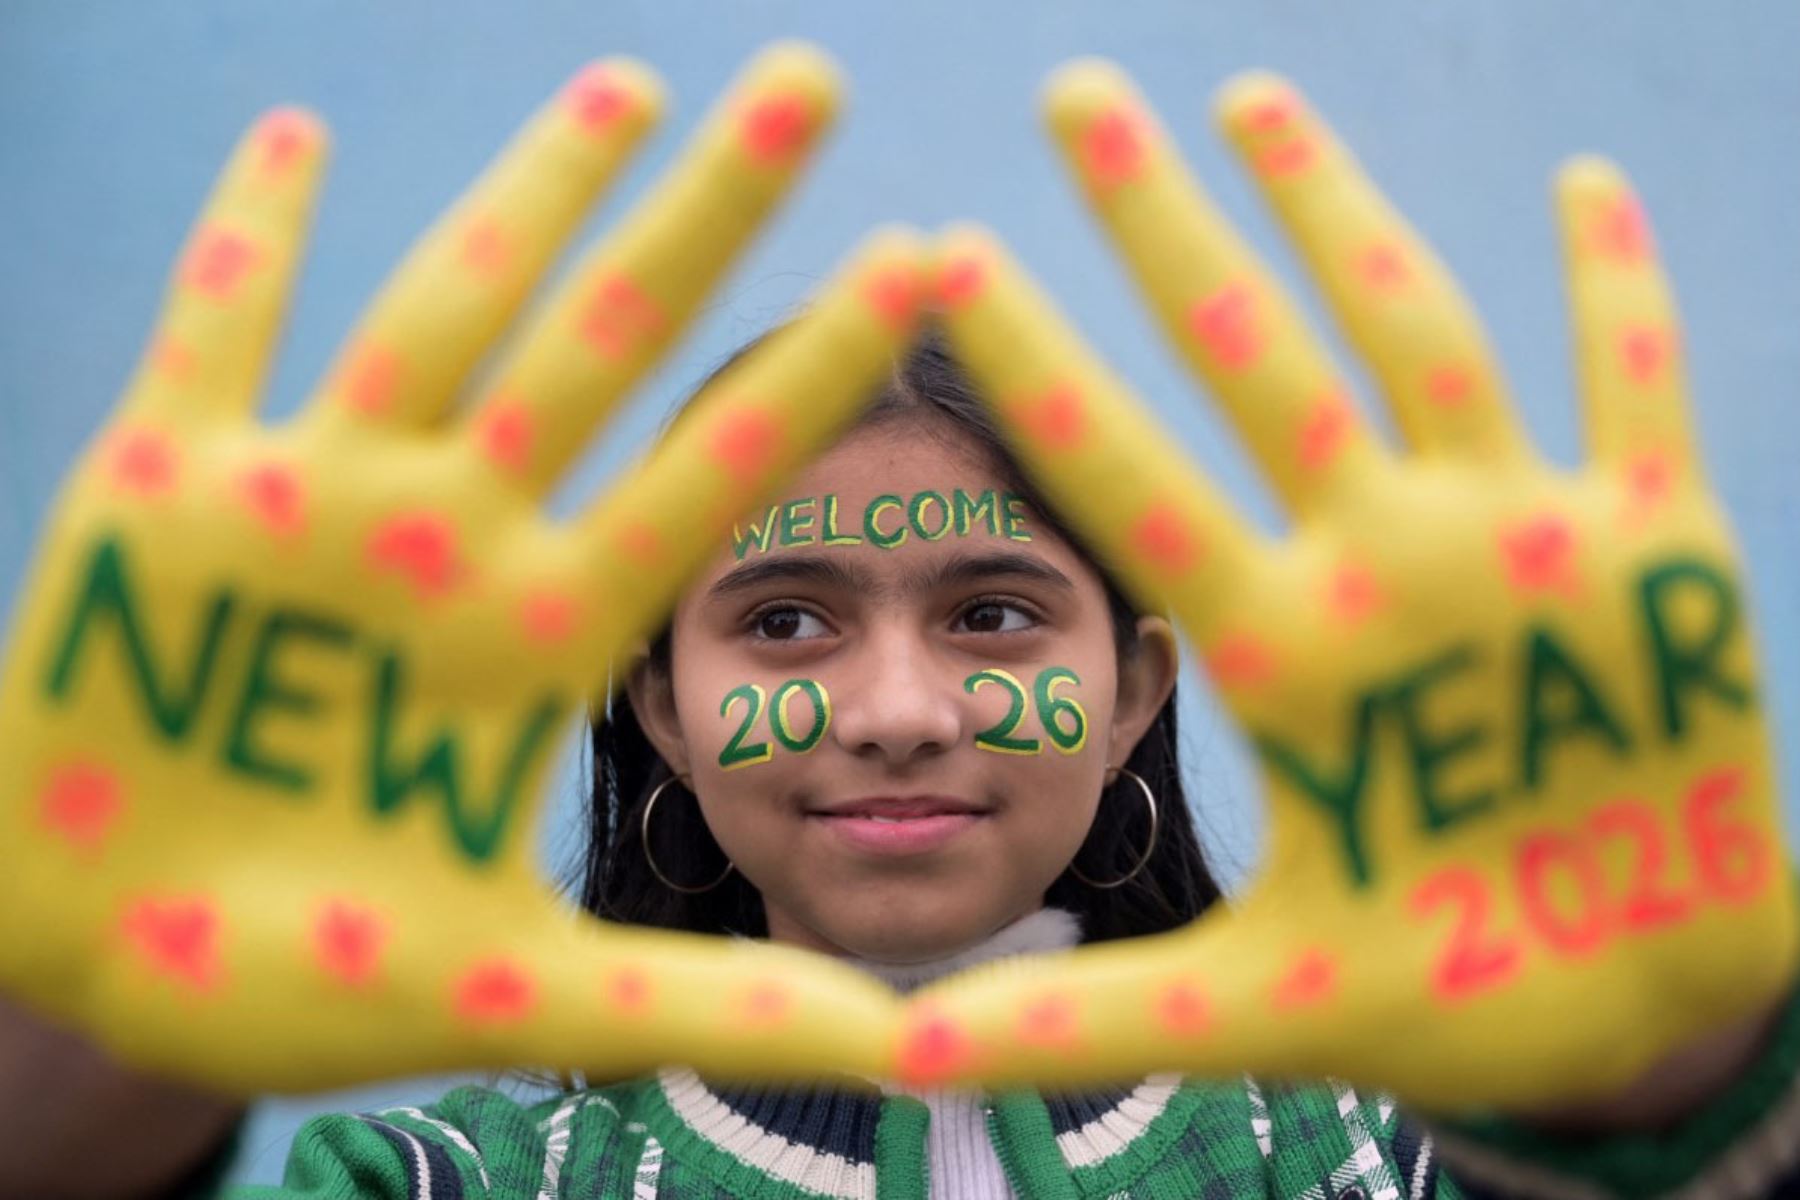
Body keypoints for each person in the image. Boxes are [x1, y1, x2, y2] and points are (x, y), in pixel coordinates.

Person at [4, 45, 1799, 1200]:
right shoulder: (445, 1185)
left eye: (996, 614)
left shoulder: (1388, 1168)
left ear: (1129, 694)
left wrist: (1669, 1106)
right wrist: (84, 1068)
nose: (896, 709)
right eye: (783, 623)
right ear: (659, 707)